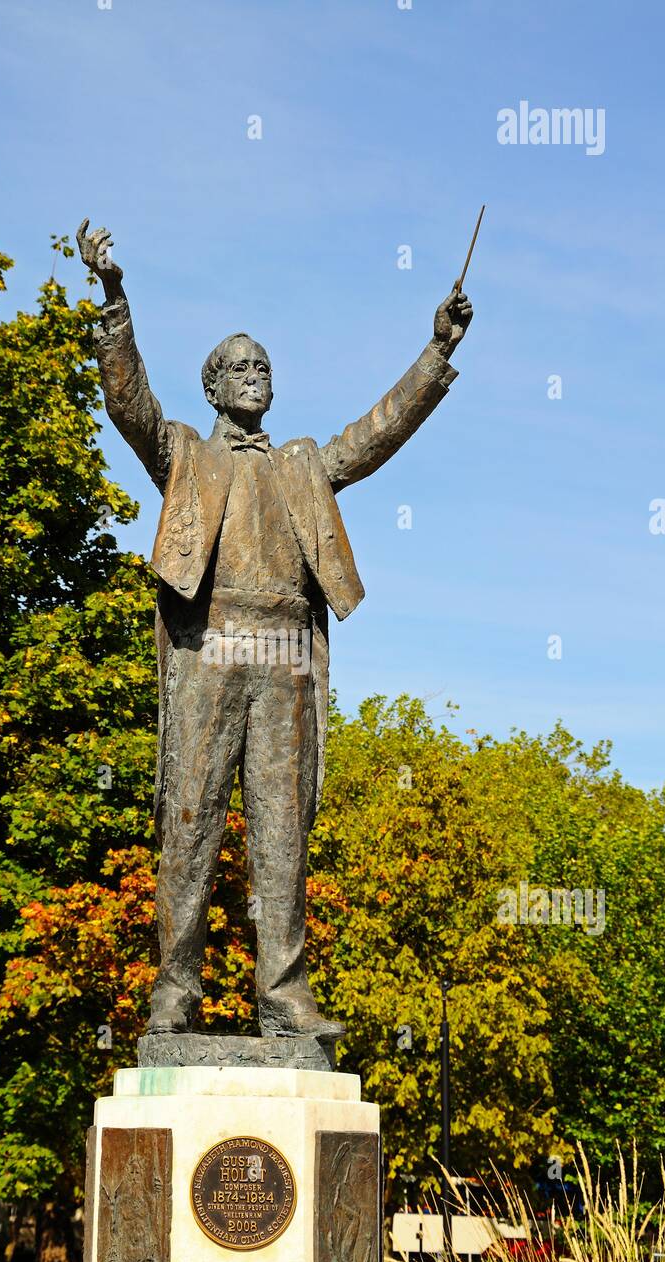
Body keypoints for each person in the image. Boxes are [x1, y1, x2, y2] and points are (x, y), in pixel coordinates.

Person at [78, 218, 472, 1039]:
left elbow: (375, 434)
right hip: (210, 648)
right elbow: (130, 405)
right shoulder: (188, 453)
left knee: (282, 832)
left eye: (262, 366)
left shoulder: (299, 464)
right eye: (237, 368)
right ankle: (174, 992)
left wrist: (433, 356)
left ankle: (284, 993)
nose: (253, 376)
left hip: (288, 654)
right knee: (189, 818)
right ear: (213, 388)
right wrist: (114, 303)